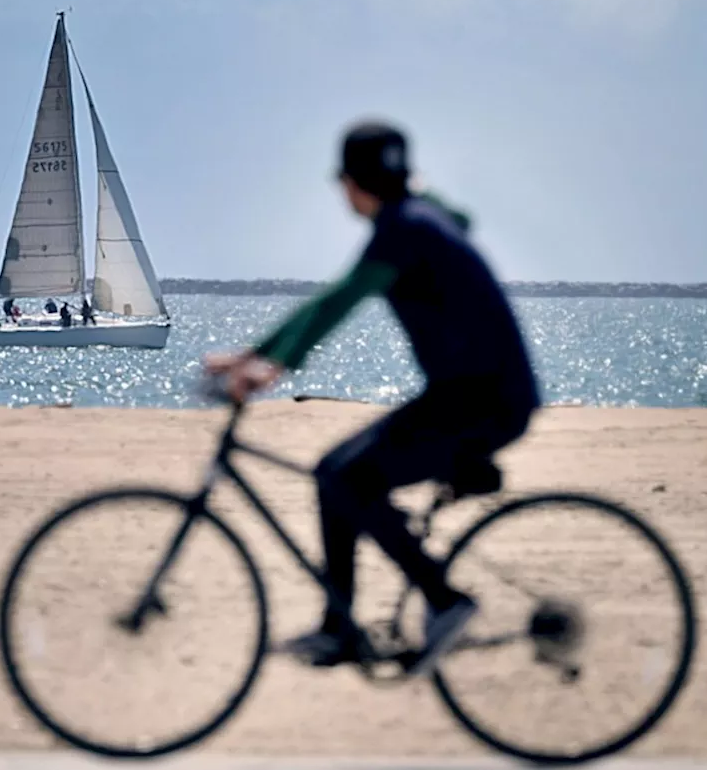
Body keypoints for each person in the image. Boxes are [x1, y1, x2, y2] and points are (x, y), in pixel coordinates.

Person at [204, 119, 539, 676]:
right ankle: (341, 630)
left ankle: (441, 601)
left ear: (353, 184)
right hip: (475, 396)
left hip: (481, 403)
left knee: (344, 479)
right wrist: (256, 354)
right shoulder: (423, 216)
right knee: (335, 473)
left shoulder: (404, 230)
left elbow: (339, 299)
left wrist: (266, 363)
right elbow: (462, 217)